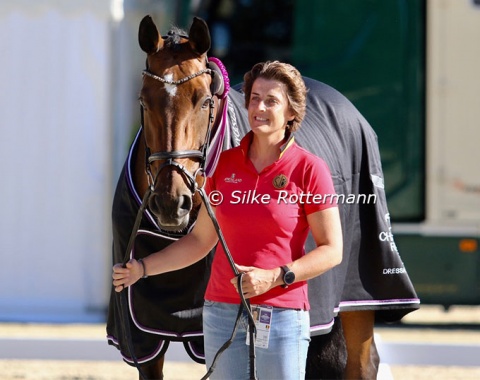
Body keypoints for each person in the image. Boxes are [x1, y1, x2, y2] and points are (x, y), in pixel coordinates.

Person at [112, 61, 343, 380]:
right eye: (254, 98)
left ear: (292, 112)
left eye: (271, 101)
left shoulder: (309, 169)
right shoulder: (223, 165)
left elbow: (332, 249)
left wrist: (276, 276)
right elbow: (199, 240)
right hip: (221, 314)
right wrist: (143, 268)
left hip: (282, 315)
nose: (259, 107)